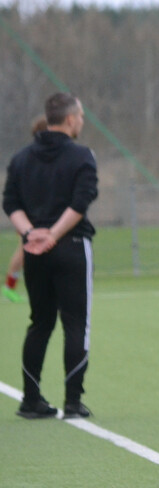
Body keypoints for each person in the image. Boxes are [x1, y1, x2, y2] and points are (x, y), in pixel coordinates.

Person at [3, 94, 98, 419]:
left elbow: (10, 202)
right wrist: (53, 235)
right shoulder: (82, 156)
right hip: (71, 246)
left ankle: (31, 400)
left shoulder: (21, 158)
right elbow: (81, 202)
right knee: (75, 324)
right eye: (81, 116)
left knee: (39, 323)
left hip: (34, 252)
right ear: (70, 120)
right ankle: (73, 402)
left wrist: (31, 234)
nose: (82, 121)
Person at [3, 116, 49, 305]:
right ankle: (9, 286)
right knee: (25, 251)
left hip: (35, 213)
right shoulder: (29, 158)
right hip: (29, 215)